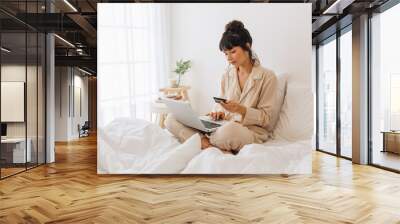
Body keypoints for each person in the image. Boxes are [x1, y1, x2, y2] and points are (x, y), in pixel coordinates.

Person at [165, 20, 278, 154]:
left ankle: (199, 139)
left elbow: (267, 119)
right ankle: (206, 143)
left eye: (233, 51)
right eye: (225, 53)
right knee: (171, 119)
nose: (229, 58)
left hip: (247, 131)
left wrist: (242, 110)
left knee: (230, 131)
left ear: (247, 46)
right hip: (221, 125)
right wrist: (217, 112)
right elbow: (220, 104)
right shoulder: (227, 74)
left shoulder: (268, 77)